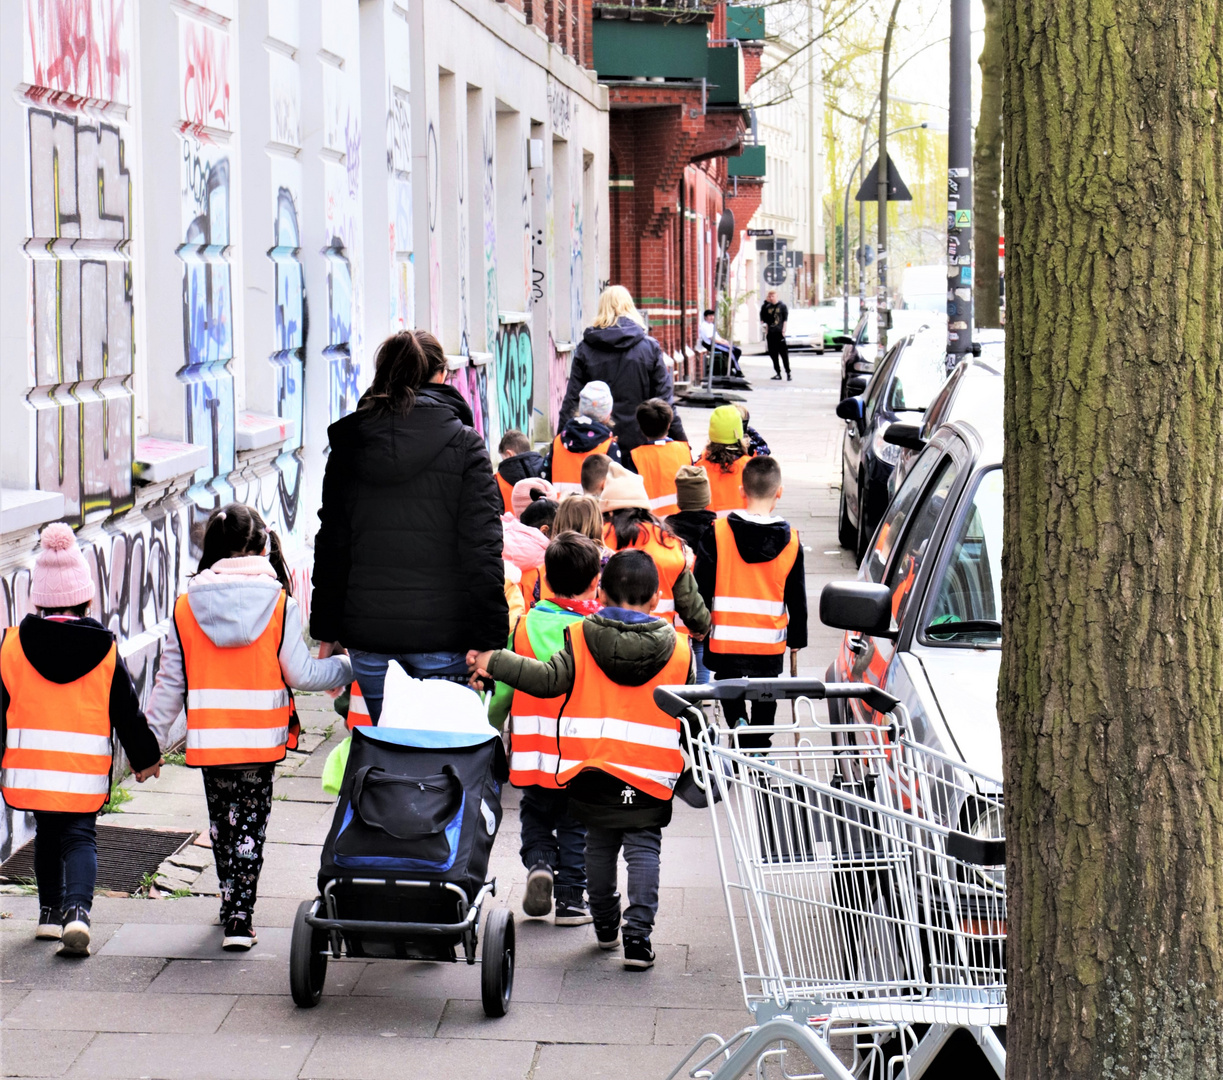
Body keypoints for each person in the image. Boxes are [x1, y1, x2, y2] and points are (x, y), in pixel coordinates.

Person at [469, 550, 693, 970]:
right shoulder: (680, 652)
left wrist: (492, 660)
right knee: (644, 851)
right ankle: (638, 938)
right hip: (651, 775)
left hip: (593, 769)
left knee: (600, 847)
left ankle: (606, 925)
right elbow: (692, 714)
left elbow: (545, 679)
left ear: (602, 593)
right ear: (658, 597)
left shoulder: (581, 636)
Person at [147, 504, 352, 950]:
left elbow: (169, 685)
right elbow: (302, 675)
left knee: (222, 824)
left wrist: (149, 745)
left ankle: (229, 900)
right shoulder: (279, 604)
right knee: (251, 827)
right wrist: (347, 668)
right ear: (261, 546)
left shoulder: (186, 608)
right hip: (260, 740)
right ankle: (241, 916)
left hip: (209, 739)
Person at [310, 330, 507, 722]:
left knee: (391, 759)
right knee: (440, 766)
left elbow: (333, 543)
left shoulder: (351, 445)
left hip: (369, 639)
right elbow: (482, 551)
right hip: (446, 639)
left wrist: (327, 630)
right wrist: (490, 644)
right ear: (439, 376)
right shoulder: (466, 446)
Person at [0, 524, 163, 957]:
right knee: (79, 836)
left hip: (33, 771)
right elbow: (126, 711)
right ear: (86, 598)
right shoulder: (104, 649)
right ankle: (78, 912)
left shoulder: (12, 646)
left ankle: (49, 916)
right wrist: (146, 757)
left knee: (47, 834)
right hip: (82, 772)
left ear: (38, 599)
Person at [489, 532, 604, 926]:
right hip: (580, 752)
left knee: (536, 813)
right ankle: (572, 900)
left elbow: (503, 691)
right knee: (576, 822)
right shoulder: (594, 631)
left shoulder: (523, 626)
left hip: (532, 749)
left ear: (546, 580)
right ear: (594, 583)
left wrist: (490, 732)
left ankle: (539, 863)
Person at [694, 457, 808, 750]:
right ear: (779, 492)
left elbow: (701, 583)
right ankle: (759, 743)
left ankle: (736, 722)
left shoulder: (718, 533)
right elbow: (796, 594)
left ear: (741, 491)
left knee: (727, 681)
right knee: (766, 691)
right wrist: (797, 638)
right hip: (767, 642)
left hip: (726, 637)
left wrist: (699, 623)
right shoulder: (792, 541)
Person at [560, 285, 686, 456]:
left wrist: (559, 440)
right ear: (630, 308)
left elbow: (572, 400)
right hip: (640, 444)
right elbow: (665, 402)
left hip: (596, 444)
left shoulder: (586, 349)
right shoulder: (649, 348)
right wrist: (682, 443)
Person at [600, 471, 710, 640]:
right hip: (660, 641)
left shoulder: (598, 538)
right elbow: (689, 602)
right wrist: (701, 626)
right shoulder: (668, 542)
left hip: (606, 639)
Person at [547, 381, 622, 495]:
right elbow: (616, 489)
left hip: (560, 510)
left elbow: (544, 477)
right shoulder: (609, 447)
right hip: (593, 512)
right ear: (608, 413)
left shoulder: (558, 441)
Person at [630, 399, 693, 517]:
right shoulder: (684, 450)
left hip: (649, 522)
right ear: (669, 425)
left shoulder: (634, 456)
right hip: (681, 520)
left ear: (641, 427)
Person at [694, 405, 752, 516]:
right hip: (743, 530)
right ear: (739, 434)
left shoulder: (699, 468)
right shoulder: (750, 467)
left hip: (711, 530)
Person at [496, 430, 548, 513]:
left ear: (509, 454)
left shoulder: (498, 480)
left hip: (512, 525)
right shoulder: (546, 468)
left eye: (503, 458)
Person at [698, 309, 742, 377]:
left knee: (737, 351)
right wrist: (722, 343)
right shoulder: (704, 326)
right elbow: (712, 338)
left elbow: (717, 336)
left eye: (713, 315)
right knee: (730, 352)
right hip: (712, 345)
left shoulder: (711, 325)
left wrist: (725, 341)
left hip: (718, 343)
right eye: (710, 316)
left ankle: (729, 368)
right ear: (705, 317)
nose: (712, 317)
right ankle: (738, 370)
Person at [759, 289, 791, 381]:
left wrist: (784, 331)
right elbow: (763, 318)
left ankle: (788, 372)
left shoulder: (782, 306)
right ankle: (778, 373)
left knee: (784, 354)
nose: (771, 298)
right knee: (773, 355)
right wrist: (766, 302)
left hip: (779, 333)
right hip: (771, 334)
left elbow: (785, 319)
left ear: (777, 296)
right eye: (770, 296)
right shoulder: (767, 307)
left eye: (773, 296)